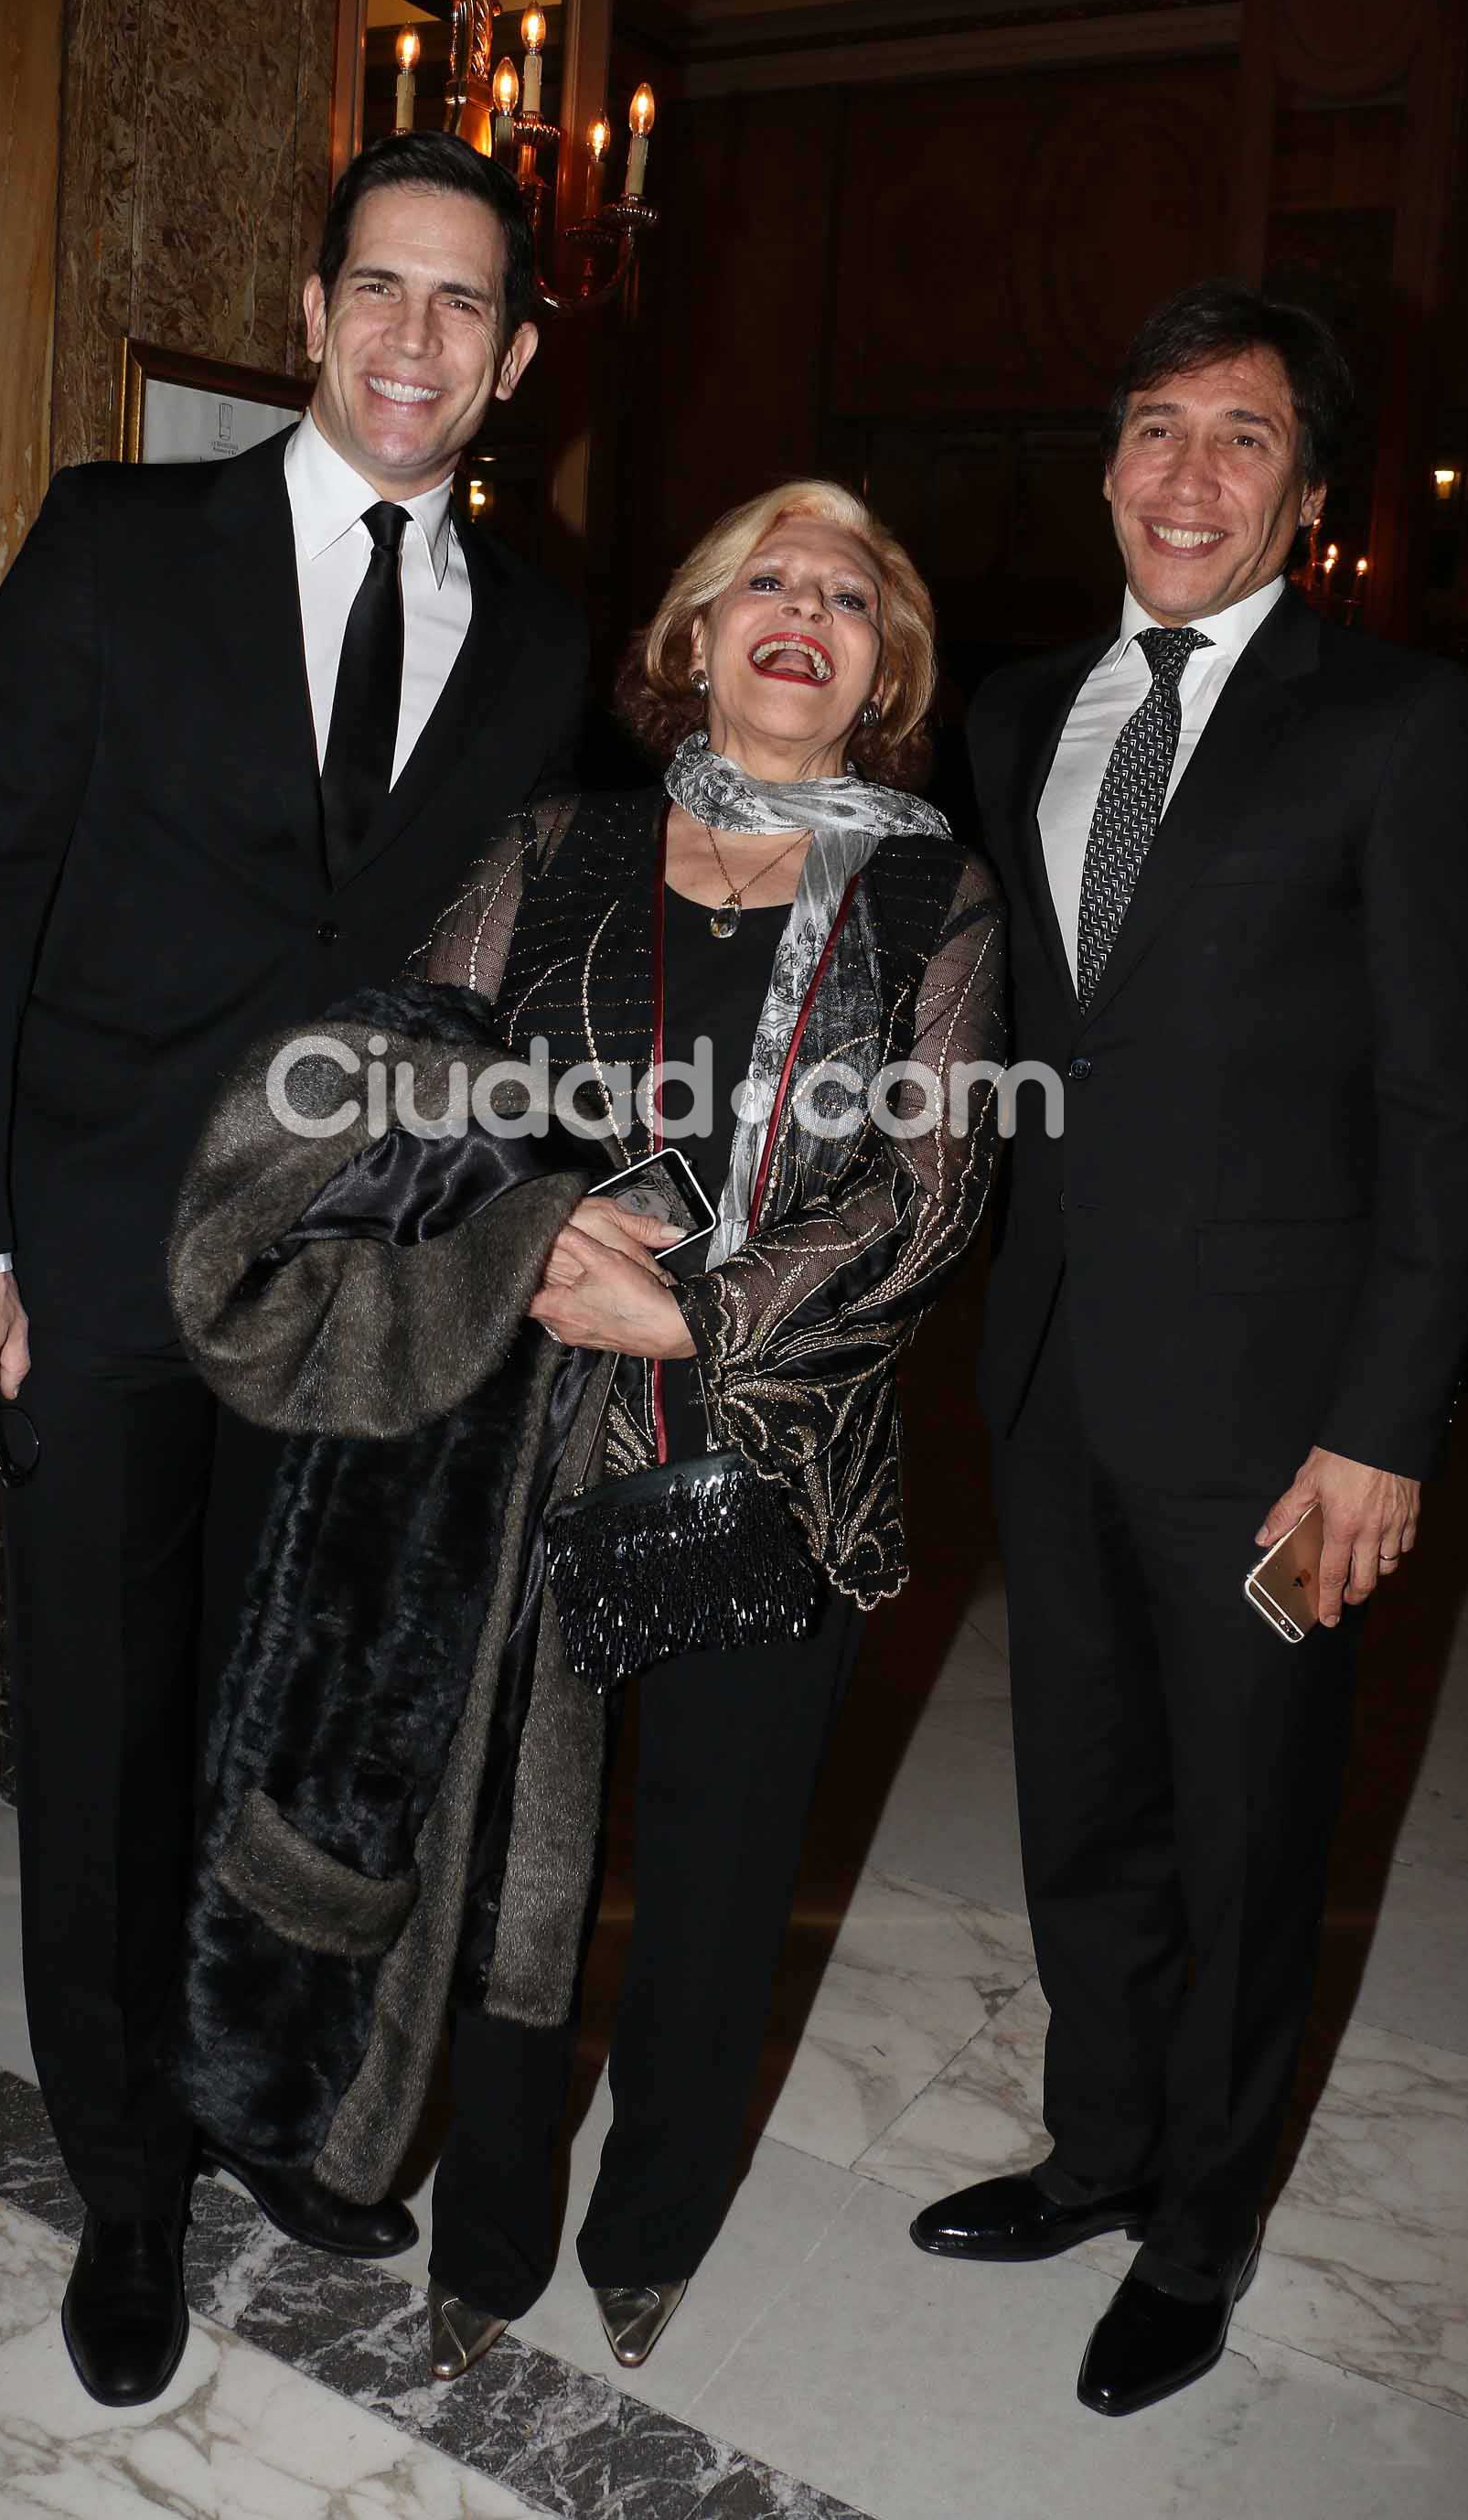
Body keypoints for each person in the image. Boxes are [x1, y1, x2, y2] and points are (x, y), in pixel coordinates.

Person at [0, 132, 589, 2408]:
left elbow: (522, 969)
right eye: (379, 289)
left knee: (295, 1723)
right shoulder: (116, 546)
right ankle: (120, 2173)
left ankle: (256, 2099)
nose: (413, 339)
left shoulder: (546, 630)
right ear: (309, 314)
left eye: (462, 306)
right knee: (105, 1732)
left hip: (355, 1291)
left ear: (514, 358)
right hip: (89, 1259)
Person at [911, 281, 1468, 2415]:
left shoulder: (1397, 729)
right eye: (1154, 429)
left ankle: (1198, 2229)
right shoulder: (1015, 714)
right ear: (1104, 468)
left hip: (1279, 1421)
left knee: (1252, 1835)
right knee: (1081, 1803)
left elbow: (1453, 1110)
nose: (1186, 476)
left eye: (1238, 440)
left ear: (1310, 498)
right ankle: (1097, 2151)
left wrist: (1380, 1427)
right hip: (1057, 1372)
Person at [403, 479, 1007, 2379]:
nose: (803, 609)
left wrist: (697, 1306)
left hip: (778, 1449)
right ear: (690, 635)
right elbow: (414, 1059)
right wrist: (533, 1228)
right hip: (530, 1423)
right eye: (768, 577)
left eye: (849, 594)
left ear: (879, 672)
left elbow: (934, 1185)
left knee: (724, 1869)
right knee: (516, 1855)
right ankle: (483, 2239)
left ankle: (651, 2229)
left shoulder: (934, 893)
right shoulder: (560, 840)